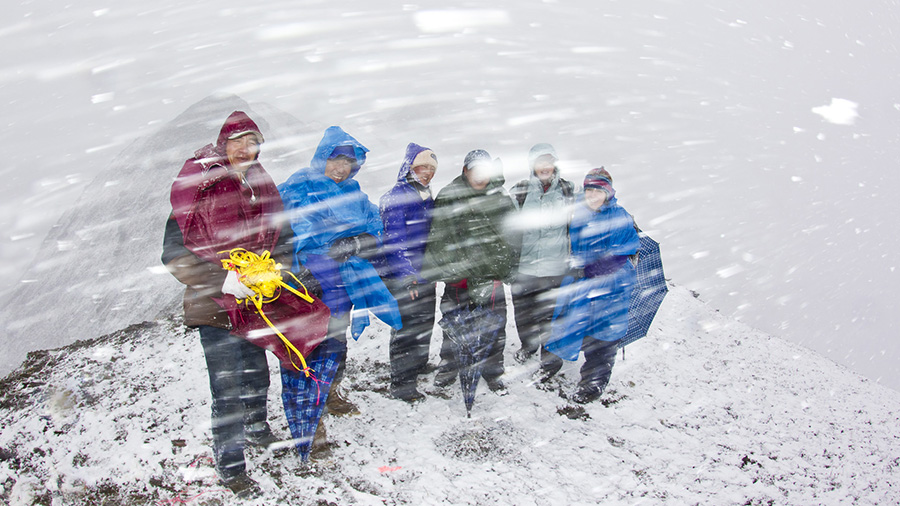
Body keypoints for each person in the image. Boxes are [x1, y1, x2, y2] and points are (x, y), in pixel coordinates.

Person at [163, 111, 286, 498]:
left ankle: (257, 430)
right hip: (214, 308)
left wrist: (272, 274)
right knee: (228, 387)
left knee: (257, 375)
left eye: (253, 143)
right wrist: (225, 280)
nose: (246, 150)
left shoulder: (263, 188)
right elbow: (174, 255)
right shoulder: (200, 190)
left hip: (256, 305)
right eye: (238, 142)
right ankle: (232, 466)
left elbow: (283, 239)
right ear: (223, 143)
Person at [278, 126, 400, 417]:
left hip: (342, 282)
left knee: (336, 340)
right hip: (308, 282)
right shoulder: (299, 186)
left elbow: (377, 229)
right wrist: (294, 272)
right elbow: (279, 230)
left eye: (348, 163)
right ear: (322, 158)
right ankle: (309, 407)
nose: (341, 168)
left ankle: (332, 392)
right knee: (306, 345)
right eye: (336, 160)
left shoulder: (355, 195)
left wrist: (358, 241)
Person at [422, 149, 519, 395]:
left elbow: (512, 237)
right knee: (453, 328)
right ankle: (449, 367)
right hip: (460, 281)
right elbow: (439, 237)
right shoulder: (449, 195)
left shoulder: (500, 198)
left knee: (494, 329)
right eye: (474, 169)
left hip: (491, 280)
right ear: (465, 171)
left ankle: (493, 371)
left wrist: (504, 267)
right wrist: (453, 266)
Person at [547, 167, 639, 404]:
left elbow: (621, 256)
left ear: (608, 192)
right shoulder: (579, 215)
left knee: (604, 337)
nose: (593, 196)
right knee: (581, 327)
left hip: (612, 287)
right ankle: (555, 366)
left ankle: (593, 385)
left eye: (598, 191)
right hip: (582, 284)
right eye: (589, 190)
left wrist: (590, 270)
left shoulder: (619, 217)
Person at [508, 143, 574, 384]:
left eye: (548, 162)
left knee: (550, 318)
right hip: (524, 268)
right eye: (540, 162)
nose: (545, 167)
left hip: (554, 269)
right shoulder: (520, 191)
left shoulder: (567, 190)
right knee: (523, 315)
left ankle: (549, 362)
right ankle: (528, 346)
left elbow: (585, 216)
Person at [379, 143, 439, 402]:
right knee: (407, 328)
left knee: (424, 322)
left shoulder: (424, 195)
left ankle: (418, 364)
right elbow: (394, 242)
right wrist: (407, 275)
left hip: (424, 274)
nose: (426, 172)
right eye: (422, 166)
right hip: (404, 275)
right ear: (409, 167)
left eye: (431, 169)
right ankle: (402, 383)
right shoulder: (398, 196)